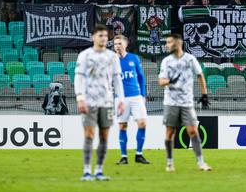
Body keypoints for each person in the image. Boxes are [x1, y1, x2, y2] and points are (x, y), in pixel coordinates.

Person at [74, 24, 125, 181]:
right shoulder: (85, 55)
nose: (103, 38)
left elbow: (117, 79)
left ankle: (99, 171)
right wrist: (80, 98)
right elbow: (79, 77)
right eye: (100, 35)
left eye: (105, 36)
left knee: (104, 136)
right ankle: (87, 171)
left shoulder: (112, 56)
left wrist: (121, 99)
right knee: (89, 135)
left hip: (107, 102)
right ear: (93, 37)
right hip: (89, 101)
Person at [158, 33, 212, 172]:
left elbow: (200, 75)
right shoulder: (166, 61)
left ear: (178, 43)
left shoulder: (190, 59)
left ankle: (201, 163)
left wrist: (204, 94)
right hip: (171, 102)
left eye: (169, 42)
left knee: (193, 131)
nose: (167, 45)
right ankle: (170, 163)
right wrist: (170, 81)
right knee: (170, 133)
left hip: (187, 103)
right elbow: (161, 81)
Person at [113, 35, 150, 165]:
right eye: (115, 44)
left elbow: (141, 77)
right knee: (122, 126)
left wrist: (143, 95)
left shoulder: (134, 58)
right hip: (120, 98)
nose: (117, 46)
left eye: (119, 43)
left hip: (136, 96)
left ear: (126, 43)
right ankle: (124, 157)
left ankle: (139, 154)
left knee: (142, 123)